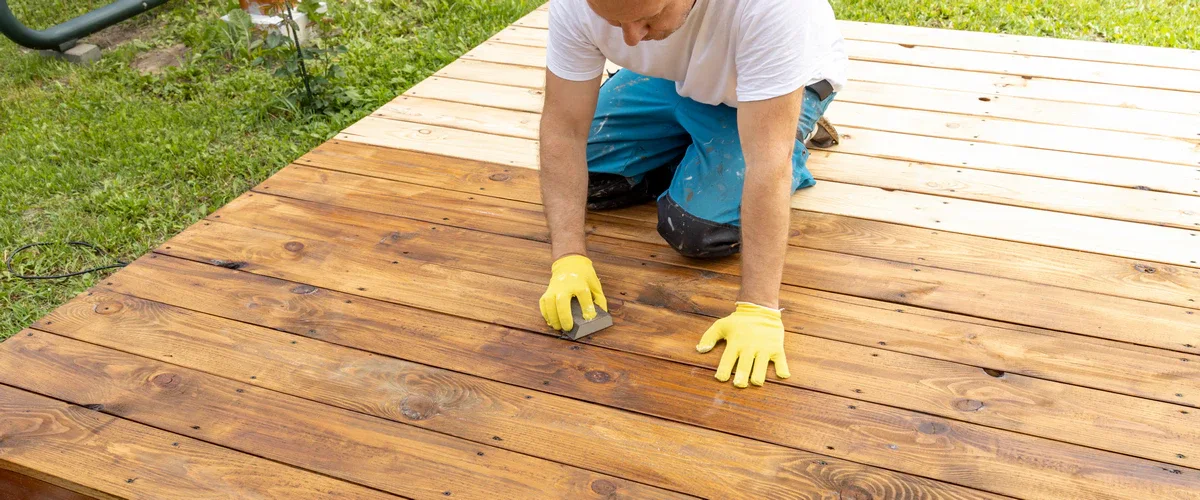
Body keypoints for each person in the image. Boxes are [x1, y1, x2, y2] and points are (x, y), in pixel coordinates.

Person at [537, 0, 848, 388]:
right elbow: (563, 129)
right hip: (676, 75)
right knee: (592, 179)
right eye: (615, 22)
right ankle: (701, 145)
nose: (632, 38)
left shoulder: (773, 8)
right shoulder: (577, 6)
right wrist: (567, 257)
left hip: (767, 80)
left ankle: (793, 133)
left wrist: (759, 308)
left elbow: (766, 166)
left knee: (695, 228)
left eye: (646, 19)